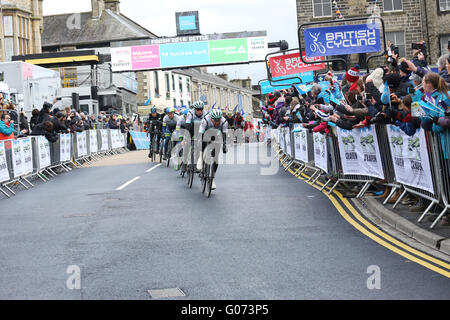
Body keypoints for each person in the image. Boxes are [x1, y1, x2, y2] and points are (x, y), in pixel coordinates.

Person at [197, 109, 228, 190]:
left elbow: (224, 135)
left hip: (217, 135)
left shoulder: (224, 122)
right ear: (211, 119)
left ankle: (212, 179)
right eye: (215, 120)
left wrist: (224, 145)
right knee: (202, 143)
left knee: (215, 158)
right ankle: (201, 158)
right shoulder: (206, 120)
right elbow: (200, 133)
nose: (217, 122)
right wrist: (199, 141)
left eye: (218, 120)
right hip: (206, 134)